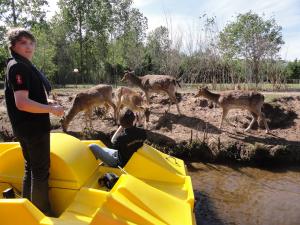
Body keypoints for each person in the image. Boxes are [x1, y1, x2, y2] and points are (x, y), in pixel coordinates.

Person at [4, 28, 64, 215]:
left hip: (25, 127)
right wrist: (51, 109)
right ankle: (42, 214)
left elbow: (28, 96)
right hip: (33, 128)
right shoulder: (19, 67)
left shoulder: (19, 64)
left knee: (31, 167)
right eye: (23, 43)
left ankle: (28, 210)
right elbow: (22, 103)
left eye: (31, 43)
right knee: (40, 172)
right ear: (13, 46)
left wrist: (47, 101)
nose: (29, 47)